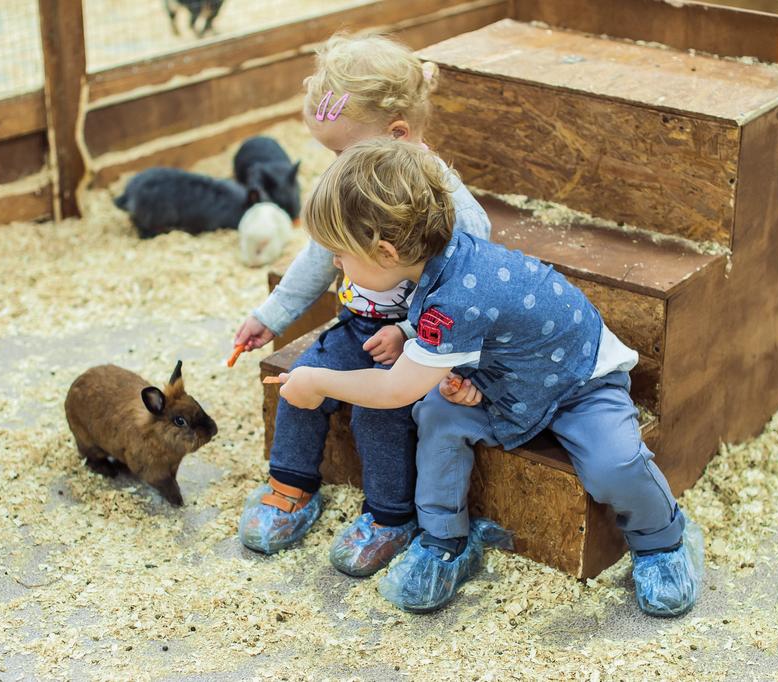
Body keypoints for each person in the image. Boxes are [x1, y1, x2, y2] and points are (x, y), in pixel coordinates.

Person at [277, 138, 704, 616]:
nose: (335, 263)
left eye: (340, 254)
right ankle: (443, 541)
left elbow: (394, 389)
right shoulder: (440, 260)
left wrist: (316, 381)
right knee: (437, 416)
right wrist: (422, 345)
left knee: (614, 464)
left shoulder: (453, 295)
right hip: (504, 382)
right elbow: (458, 335)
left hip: (578, 381)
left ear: (384, 251)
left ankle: (662, 541)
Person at [234, 34, 491, 577]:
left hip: (422, 344)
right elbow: (318, 255)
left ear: (397, 136)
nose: (334, 165)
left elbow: (470, 282)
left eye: (341, 151)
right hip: (357, 326)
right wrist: (271, 316)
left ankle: (390, 517)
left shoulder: (449, 206)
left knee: (382, 414)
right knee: (300, 383)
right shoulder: (355, 180)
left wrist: (409, 331)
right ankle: (291, 485)